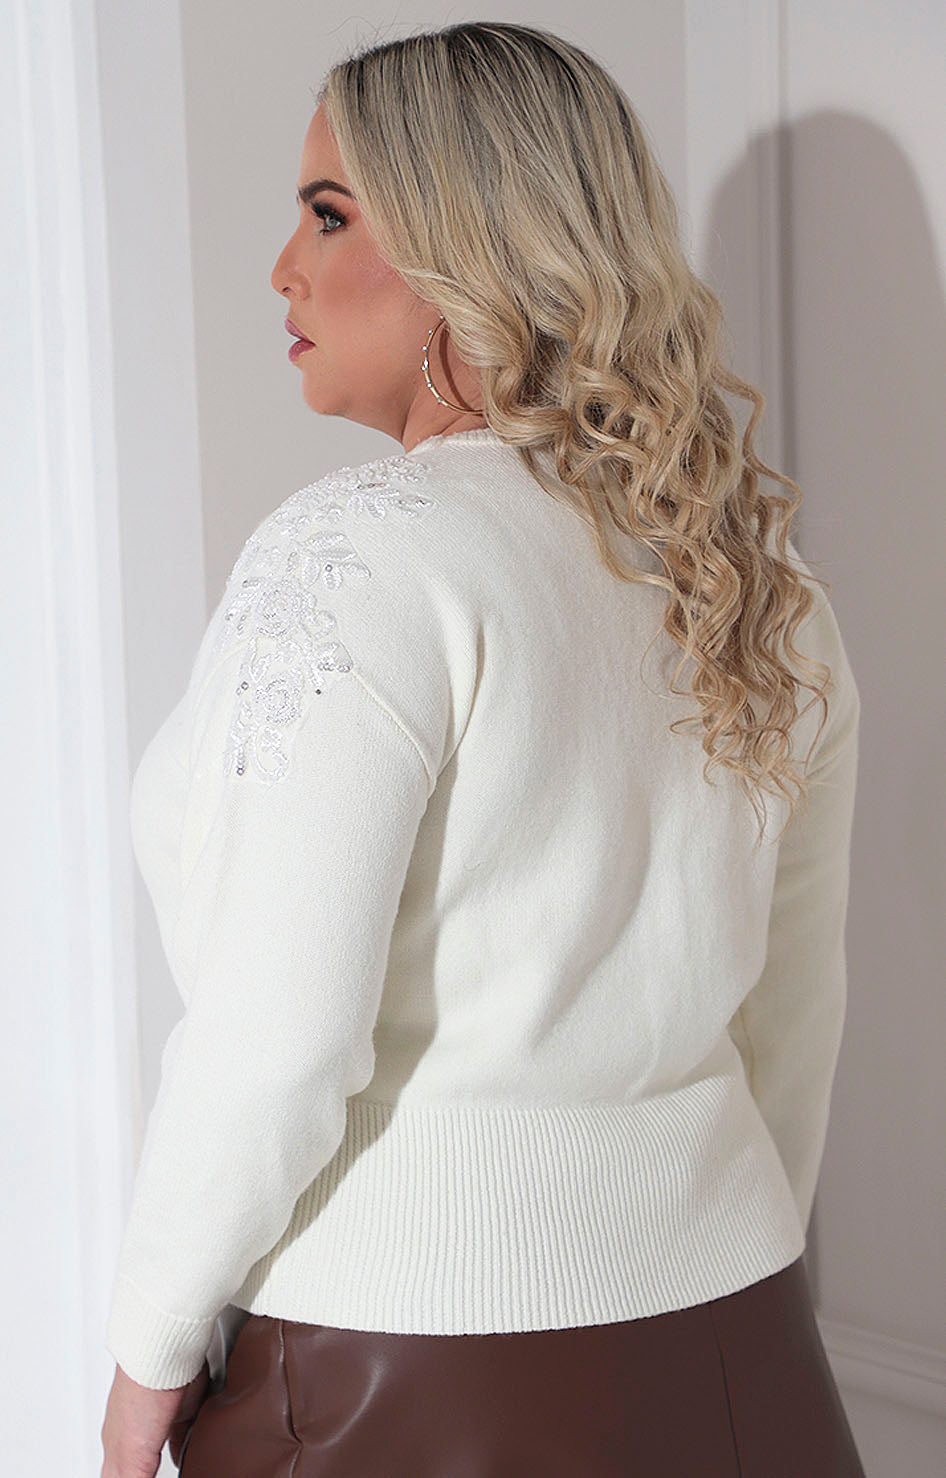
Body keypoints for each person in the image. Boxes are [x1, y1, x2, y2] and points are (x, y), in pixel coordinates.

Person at [100, 20, 867, 1478]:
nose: (285, 267)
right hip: (740, 1345)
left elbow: (274, 1044)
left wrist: (146, 1357)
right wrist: (693, 1249)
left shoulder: (357, 556)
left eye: (330, 214)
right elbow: (792, 1016)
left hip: (404, 1369)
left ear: (471, 251)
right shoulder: (759, 587)